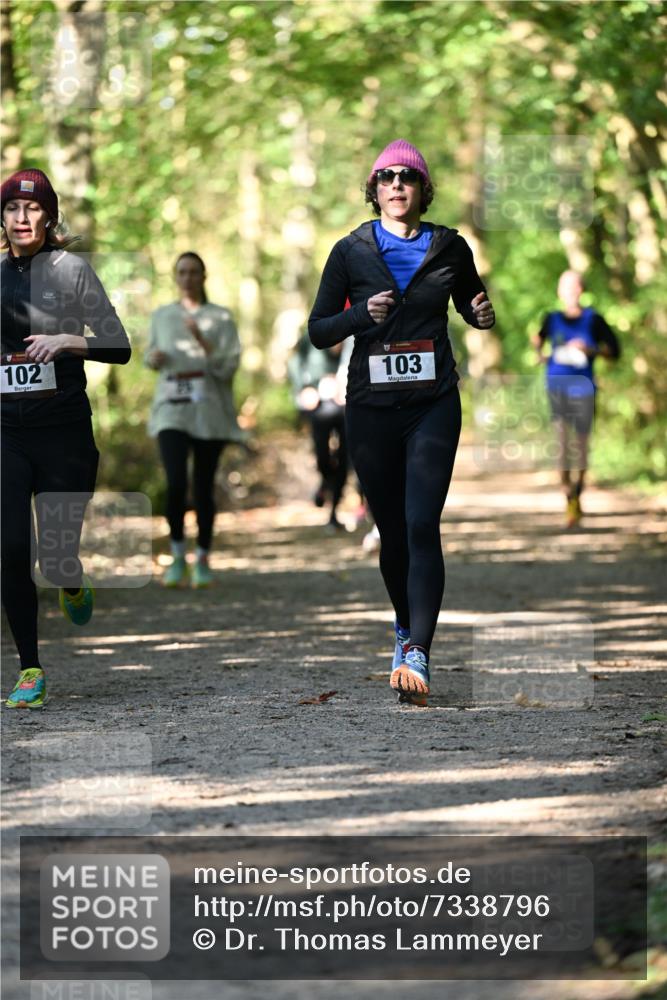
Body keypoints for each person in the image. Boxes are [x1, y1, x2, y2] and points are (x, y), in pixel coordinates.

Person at [308, 139, 495, 705]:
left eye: (406, 178)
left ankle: (419, 652)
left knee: (420, 523)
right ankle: (403, 627)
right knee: (391, 529)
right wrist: (361, 314)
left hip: (433, 402)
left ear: (421, 190)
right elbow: (318, 330)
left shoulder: (450, 247)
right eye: (385, 178)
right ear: (374, 190)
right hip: (370, 406)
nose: (396, 186)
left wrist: (480, 314)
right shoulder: (350, 251)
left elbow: (471, 302)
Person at [1, 168, 131, 709]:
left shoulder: (71, 269)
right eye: (12, 209)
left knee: (55, 558)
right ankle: (30, 667)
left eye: (33, 209)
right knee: (9, 550)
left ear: (49, 216)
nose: (22, 218)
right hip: (6, 432)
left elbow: (119, 345)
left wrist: (67, 340)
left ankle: (70, 578)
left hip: (64, 434)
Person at [146, 252, 243, 587]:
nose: (187, 278)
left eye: (193, 272)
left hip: (209, 412)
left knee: (202, 487)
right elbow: (150, 355)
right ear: (175, 277)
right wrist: (153, 358)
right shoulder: (162, 315)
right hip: (170, 409)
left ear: (204, 277)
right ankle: (176, 556)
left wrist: (203, 341)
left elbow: (229, 366)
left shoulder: (220, 317)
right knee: (175, 483)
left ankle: (202, 558)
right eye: (182, 272)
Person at [533, 270, 620, 528]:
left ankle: (578, 492)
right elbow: (538, 339)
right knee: (562, 442)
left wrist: (591, 349)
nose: (570, 291)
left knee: (581, 445)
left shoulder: (594, 320)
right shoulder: (550, 319)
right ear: (559, 291)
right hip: (557, 387)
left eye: (574, 286)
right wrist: (543, 355)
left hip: (584, 388)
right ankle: (567, 494)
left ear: (582, 290)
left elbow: (614, 351)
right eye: (565, 286)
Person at [288, 333, 350, 531]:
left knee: (344, 457)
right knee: (322, 456)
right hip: (319, 406)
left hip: (348, 405)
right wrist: (304, 388)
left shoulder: (356, 335)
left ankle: (334, 512)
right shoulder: (312, 335)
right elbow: (294, 361)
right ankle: (325, 482)